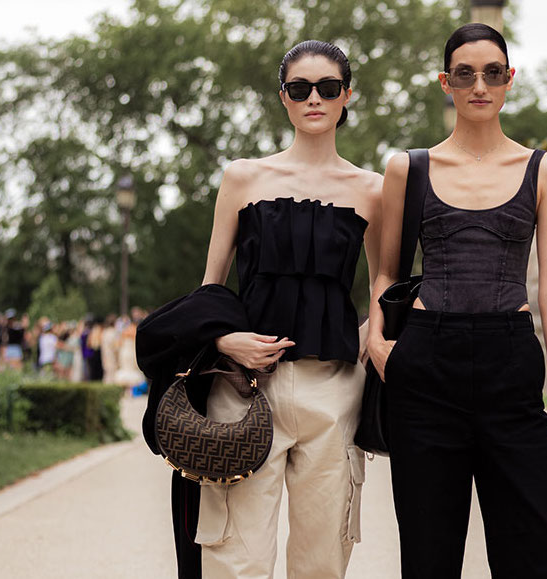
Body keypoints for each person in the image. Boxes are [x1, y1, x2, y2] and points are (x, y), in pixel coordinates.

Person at [138, 39, 381, 579]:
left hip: (334, 388)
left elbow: (385, 279)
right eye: (300, 88)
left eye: (328, 88)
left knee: (323, 559)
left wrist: (371, 332)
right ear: (284, 97)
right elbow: (210, 290)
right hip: (241, 387)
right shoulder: (244, 177)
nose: (314, 98)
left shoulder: (373, 189)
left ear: (347, 96)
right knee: (235, 558)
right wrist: (224, 342)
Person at [367, 23, 547, 578]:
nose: (479, 84)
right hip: (425, 366)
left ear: (510, 80)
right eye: (465, 73)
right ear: (446, 82)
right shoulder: (408, 168)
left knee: (542, 552)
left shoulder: (545, 170)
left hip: (509, 362)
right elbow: (386, 271)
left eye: (492, 73)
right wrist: (376, 339)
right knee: (429, 553)